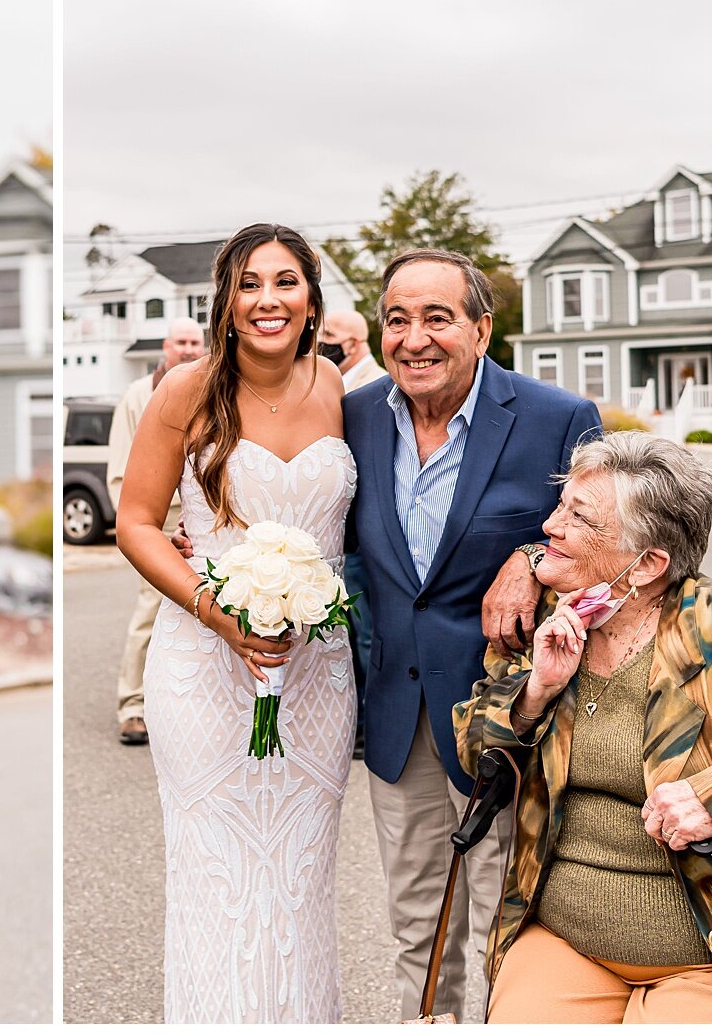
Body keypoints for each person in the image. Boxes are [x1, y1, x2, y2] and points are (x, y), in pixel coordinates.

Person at [453, 433, 712, 1023]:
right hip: (564, 938)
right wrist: (536, 689)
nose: (550, 527)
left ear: (648, 564)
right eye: (561, 506)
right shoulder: (542, 619)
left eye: (578, 518)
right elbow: (475, 754)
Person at [341, 248, 602, 1020]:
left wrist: (530, 556)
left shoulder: (558, 418)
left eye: (437, 317)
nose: (414, 337)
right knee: (416, 926)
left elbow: (624, 544)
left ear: (482, 329)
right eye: (397, 319)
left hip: (518, 716)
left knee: (507, 925)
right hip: (401, 716)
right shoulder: (353, 417)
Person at [117, 223, 355, 1021]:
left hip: (318, 672)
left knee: (302, 875)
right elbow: (138, 523)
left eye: (286, 282)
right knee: (214, 872)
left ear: (313, 299)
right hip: (203, 665)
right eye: (249, 283)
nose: (267, 300)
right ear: (224, 302)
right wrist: (215, 611)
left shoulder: (344, 391)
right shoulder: (184, 390)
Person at [108, 316, 205, 745]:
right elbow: (120, 469)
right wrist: (140, 529)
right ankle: (132, 704)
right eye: (180, 341)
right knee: (153, 608)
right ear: (166, 346)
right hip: (157, 521)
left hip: (202, 519)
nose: (186, 348)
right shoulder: (137, 395)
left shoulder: (210, 387)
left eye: (193, 342)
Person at [318, 309, 387, 755]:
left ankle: (368, 723)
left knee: (364, 632)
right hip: (340, 536)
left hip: (364, 539)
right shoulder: (331, 383)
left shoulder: (374, 388)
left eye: (331, 335)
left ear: (356, 343)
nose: (322, 340)